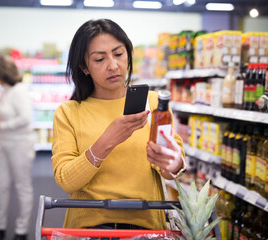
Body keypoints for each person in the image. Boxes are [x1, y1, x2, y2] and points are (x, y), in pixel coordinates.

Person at [51, 19, 186, 231]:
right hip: (89, 229)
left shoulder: (152, 103)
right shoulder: (68, 113)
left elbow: (170, 169)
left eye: (118, 54)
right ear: (84, 67)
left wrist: (175, 163)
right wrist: (107, 140)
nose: (113, 66)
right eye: (99, 59)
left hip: (147, 228)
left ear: (128, 55)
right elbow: (66, 181)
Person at [0, 56, 36, 240]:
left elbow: (25, 118)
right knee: (0, 184)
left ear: (3, 75)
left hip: (21, 145)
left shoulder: (19, 91)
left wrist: (1, 126)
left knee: (22, 187)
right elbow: (1, 117)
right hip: (5, 144)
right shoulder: (5, 91)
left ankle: (21, 230)